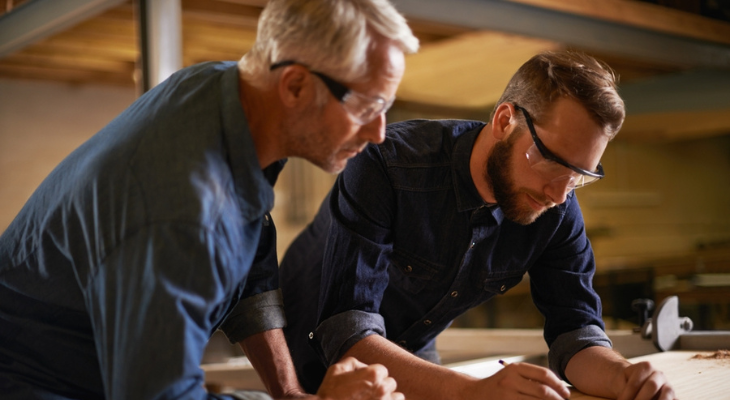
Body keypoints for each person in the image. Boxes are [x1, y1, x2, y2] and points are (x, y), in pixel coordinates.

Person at [0, 0, 418, 399]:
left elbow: (253, 247)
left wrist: (288, 392)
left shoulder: (228, 94)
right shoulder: (183, 214)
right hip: (39, 383)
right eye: (367, 106)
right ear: (295, 86)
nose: (378, 132)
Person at [279, 51, 678, 400]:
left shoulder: (555, 203)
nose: (560, 194)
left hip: (409, 350)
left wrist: (622, 376)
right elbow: (346, 329)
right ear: (505, 120)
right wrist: (473, 391)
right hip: (302, 348)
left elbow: (575, 333)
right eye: (554, 162)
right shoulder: (387, 165)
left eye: (578, 176)